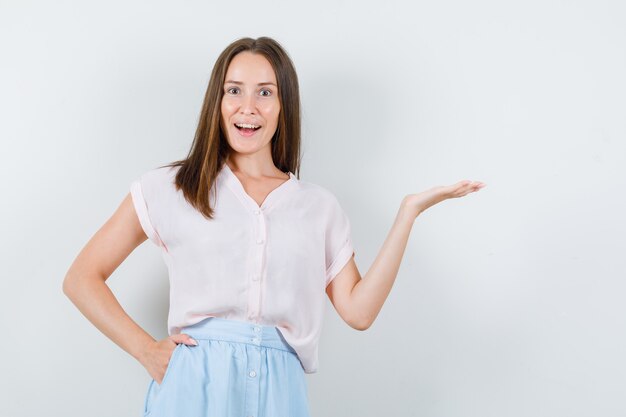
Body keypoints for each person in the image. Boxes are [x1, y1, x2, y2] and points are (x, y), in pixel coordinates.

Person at [62, 36, 485, 417]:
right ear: (217, 101)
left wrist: (408, 213)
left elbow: (359, 312)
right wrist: (145, 350)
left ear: (284, 106)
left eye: (266, 92)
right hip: (194, 387)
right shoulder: (172, 187)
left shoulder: (317, 207)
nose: (248, 107)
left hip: (280, 392)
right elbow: (82, 278)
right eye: (234, 91)